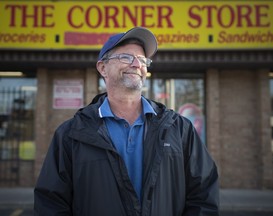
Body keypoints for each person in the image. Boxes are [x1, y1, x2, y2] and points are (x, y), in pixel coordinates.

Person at [34, 26, 219, 216]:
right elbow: (51, 203)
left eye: (142, 60)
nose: (137, 65)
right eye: (126, 57)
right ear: (102, 68)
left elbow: (203, 194)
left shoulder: (179, 129)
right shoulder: (72, 134)